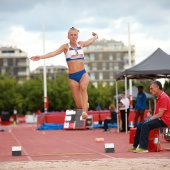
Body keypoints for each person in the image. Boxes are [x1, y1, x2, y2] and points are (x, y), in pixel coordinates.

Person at [30, 27, 98, 119]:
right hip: (73, 77)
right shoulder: (65, 47)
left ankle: (84, 112)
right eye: (71, 35)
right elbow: (53, 53)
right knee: (79, 105)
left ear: (77, 36)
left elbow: (90, 41)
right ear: (68, 36)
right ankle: (84, 105)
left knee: (83, 87)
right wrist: (40, 57)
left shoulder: (81, 44)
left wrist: (95, 36)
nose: (73, 36)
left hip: (83, 73)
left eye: (75, 35)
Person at [128, 81, 170, 153]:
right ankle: (136, 146)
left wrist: (149, 119)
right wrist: (149, 118)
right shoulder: (159, 97)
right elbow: (157, 114)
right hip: (160, 118)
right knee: (140, 124)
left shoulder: (163, 98)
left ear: (157, 88)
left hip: (165, 120)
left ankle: (143, 147)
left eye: (151, 89)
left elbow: (160, 114)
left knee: (145, 125)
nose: (150, 91)